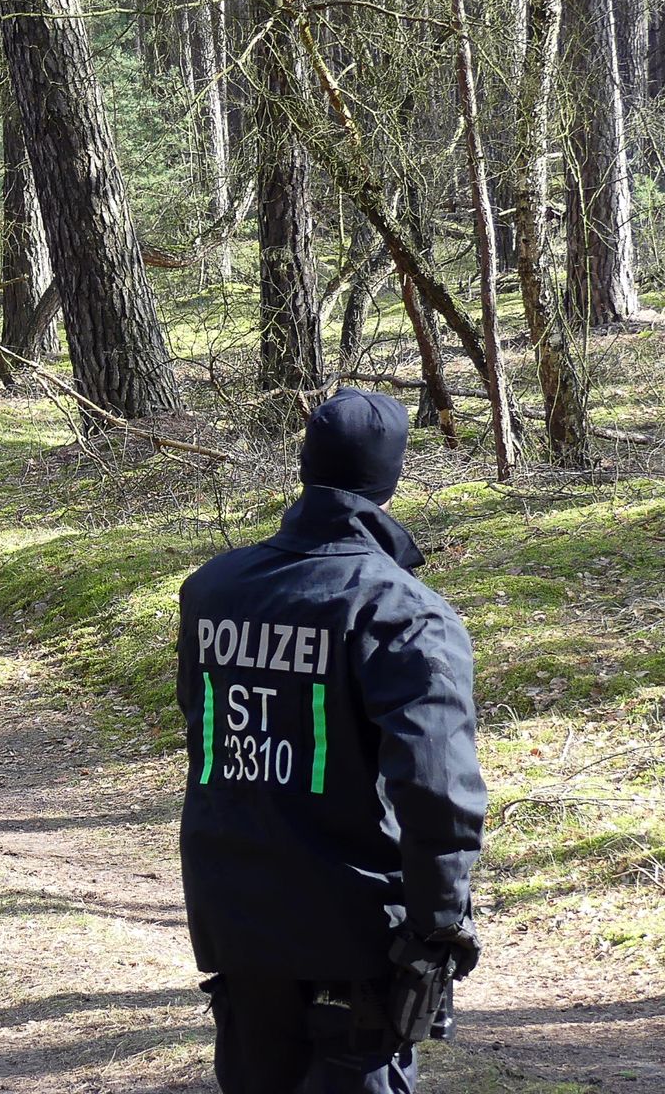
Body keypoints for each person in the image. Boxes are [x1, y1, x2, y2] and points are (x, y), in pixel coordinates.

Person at [178, 390, 486, 1094]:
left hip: (236, 917)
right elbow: (438, 790)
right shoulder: (403, 614)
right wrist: (438, 929)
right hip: (357, 937)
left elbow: (208, 740)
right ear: (392, 479)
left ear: (304, 465)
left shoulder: (213, 591)